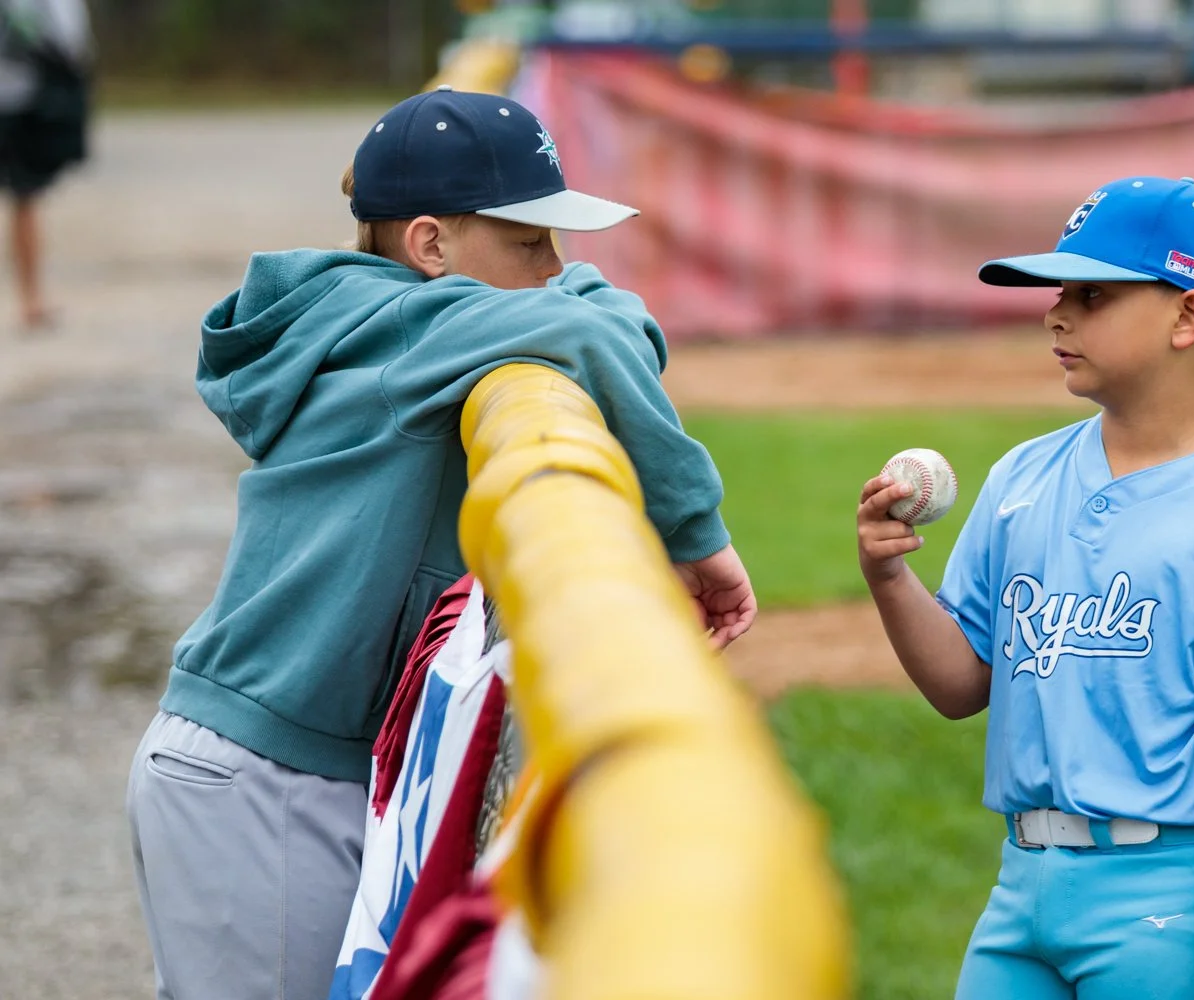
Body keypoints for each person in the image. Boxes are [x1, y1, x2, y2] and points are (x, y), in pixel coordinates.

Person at [126, 86, 756, 1000]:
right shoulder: (403, 340)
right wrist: (696, 538)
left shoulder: (411, 321)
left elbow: (591, 308)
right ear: (430, 246)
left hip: (299, 761)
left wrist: (560, 289)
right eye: (530, 243)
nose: (556, 267)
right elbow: (589, 326)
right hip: (263, 774)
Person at [856, 176, 1194, 1000]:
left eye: (1093, 295)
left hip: (1162, 904)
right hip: (1020, 894)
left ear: (1188, 317)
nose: (1057, 314)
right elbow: (962, 686)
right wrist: (890, 576)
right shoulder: (1022, 478)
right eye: (1059, 292)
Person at [0, 0, 90, 330]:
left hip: (15, 95)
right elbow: (71, 39)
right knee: (25, 197)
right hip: (24, 99)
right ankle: (31, 299)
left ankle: (30, 298)